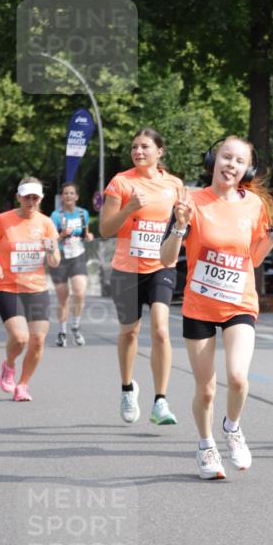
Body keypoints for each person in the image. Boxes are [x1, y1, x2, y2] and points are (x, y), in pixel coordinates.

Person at [160, 136, 273, 480]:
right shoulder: (191, 201)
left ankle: (232, 427)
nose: (230, 164)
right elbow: (168, 258)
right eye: (225, 157)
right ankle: (205, 445)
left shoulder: (254, 205)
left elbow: (255, 257)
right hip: (199, 305)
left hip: (239, 302)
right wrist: (179, 225)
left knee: (237, 378)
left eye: (238, 160)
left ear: (246, 169)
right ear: (213, 160)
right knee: (205, 389)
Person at [99, 128, 182, 426]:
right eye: (134, 147)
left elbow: (181, 223)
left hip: (161, 265)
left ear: (160, 151)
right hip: (126, 269)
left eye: (145, 147)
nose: (138, 152)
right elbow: (106, 230)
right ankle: (127, 388)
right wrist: (130, 208)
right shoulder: (120, 182)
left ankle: (161, 401)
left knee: (161, 329)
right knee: (129, 332)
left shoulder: (174, 184)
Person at [0, 177, 60, 401]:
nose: (30, 201)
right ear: (18, 197)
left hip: (36, 289)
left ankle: (23, 385)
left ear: (40, 199)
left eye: (35, 197)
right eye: (26, 197)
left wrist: (50, 251)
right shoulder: (3, 220)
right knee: (20, 338)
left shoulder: (47, 223)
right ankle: (8, 366)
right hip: (9, 286)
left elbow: (55, 262)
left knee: (37, 341)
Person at [50, 182, 94, 347]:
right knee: (63, 298)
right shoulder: (55, 215)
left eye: (71, 193)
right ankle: (62, 332)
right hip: (60, 257)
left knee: (80, 292)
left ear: (76, 196)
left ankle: (75, 325)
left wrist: (89, 236)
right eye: (65, 193)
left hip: (77, 255)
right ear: (62, 196)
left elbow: (86, 232)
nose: (68, 196)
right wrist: (61, 235)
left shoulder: (83, 213)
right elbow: (51, 239)